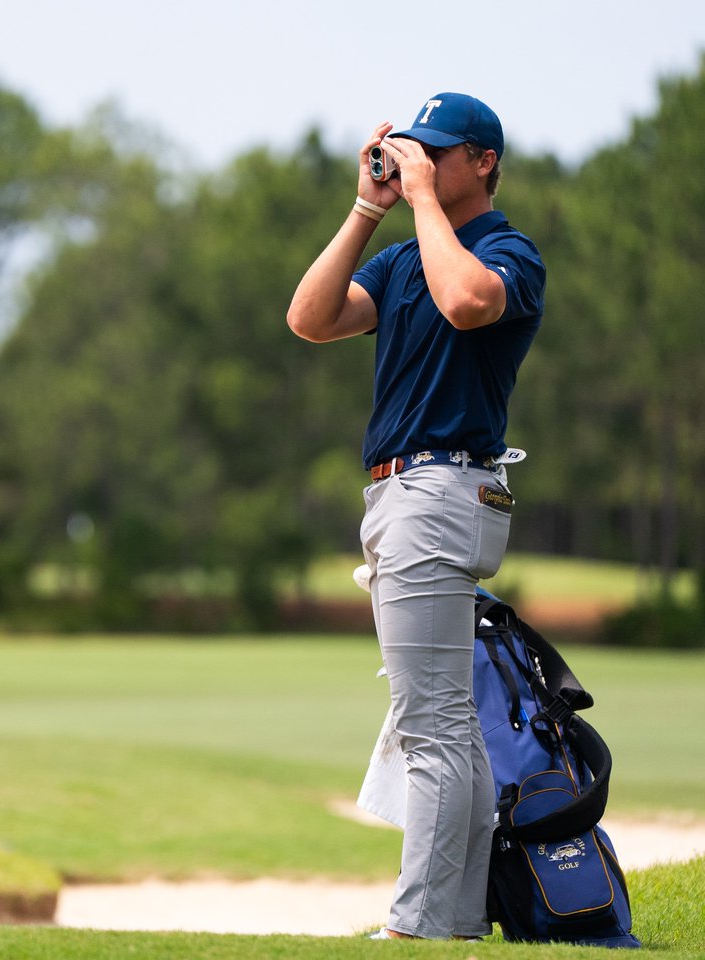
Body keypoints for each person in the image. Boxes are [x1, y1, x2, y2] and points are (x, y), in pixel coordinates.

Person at [285, 93, 546, 940]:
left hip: (439, 493)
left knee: (429, 726)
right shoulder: (402, 260)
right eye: (411, 151)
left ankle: (417, 926)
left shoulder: (508, 252)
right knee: (452, 728)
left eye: (437, 152)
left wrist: (424, 200)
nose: (419, 163)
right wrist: (368, 209)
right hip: (409, 498)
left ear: (484, 162)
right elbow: (310, 318)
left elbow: (468, 302)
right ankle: (456, 920)